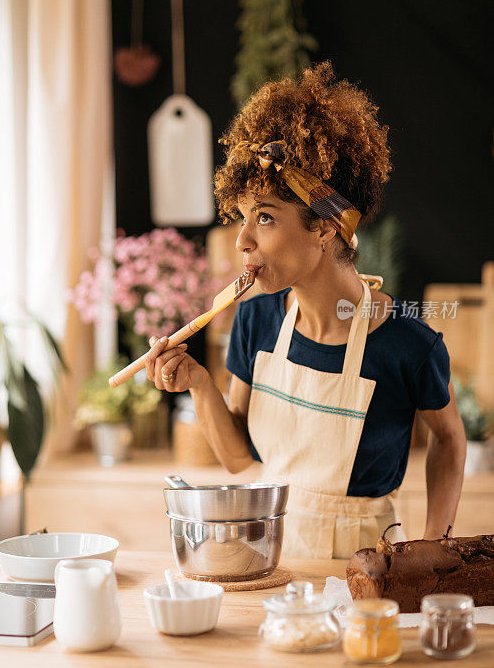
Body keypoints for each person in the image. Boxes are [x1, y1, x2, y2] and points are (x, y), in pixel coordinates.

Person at [145, 62, 466, 559]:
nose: (243, 239)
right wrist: (197, 382)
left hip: (368, 572)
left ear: (324, 227)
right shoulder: (254, 322)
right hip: (270, 559)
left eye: (266, 217)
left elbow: (448, 440)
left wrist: (431, 545)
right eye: (244, 216)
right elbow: (236, 461)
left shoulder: (408, 343)